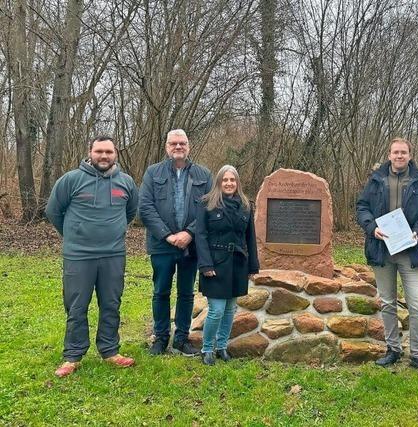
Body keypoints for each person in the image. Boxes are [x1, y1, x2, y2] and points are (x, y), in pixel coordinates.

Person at [45, 136, 139, 377]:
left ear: (116, 153)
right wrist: (74, 235)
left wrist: (113, 231)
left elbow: (130, 212)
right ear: (90, 153)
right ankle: (73, 356)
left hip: (113, 255)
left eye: (109, 151)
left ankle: (110, 350)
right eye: (99, 151)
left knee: (111, 304)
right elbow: (53, 211)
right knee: (76, 306)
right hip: (78, 256)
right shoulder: (71, 180)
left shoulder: (126, 182)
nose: (104, 156)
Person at [355, 137, 418, 374]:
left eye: (404, 152)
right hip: (382, 248)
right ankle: (393, 349)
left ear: (410, 155)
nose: (399, 156)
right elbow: (361, 207)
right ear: (389, 154)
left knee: (417, 302)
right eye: (396, 152)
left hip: (411, 249)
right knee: (388, 302)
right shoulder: (376, 179)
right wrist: (372, 228)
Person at [139, 129, 213, 356]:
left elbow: (209, 207)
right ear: (166, 146)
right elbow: (145, 208)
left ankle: (182, 338)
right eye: (174, 143)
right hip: (162, 245)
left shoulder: (203, 174)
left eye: (182, 143)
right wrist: (168, 236)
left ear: (188, 146)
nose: (178, 147)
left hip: (191, 246)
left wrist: (189, 233)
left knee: (186, 293)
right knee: (161, 291)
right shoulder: (153, 173)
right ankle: (160, 338)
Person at [194, 165, 259, 365]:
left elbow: (250, 238)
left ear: (237, 183)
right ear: (219, 182)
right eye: (225, 180)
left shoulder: (246, 205)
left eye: (233, 180)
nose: (229, 183)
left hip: (238, 262)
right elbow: (200, 235)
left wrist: (252, 266)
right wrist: (205, 265)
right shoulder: (207, 203)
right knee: (216, 310)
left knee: (230, 309)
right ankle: (207, 349)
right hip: (215, 263)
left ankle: (222, 346)